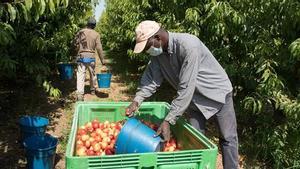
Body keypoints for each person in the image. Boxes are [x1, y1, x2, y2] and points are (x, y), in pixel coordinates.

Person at [125, 20, 238, 169]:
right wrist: (136, 101)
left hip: (217, 94)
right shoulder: (158, 56)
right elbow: (151, 80)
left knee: (228, 138)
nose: (148, 51)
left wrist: (168, 120)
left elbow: (186, 87)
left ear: (158, 38)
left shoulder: (189, 45)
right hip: (192, 100)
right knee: (195, 140)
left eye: (148, 46)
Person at [74, 17, 106, 101]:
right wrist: (102, 60)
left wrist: (77, 52)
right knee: (92, 74)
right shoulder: (96, 34)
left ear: (87, 24)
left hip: (81, 57)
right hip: (91, 58)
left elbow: (75, 44)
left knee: (81, 75)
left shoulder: (80, 32)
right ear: (94, 26)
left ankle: (80, 94)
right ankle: (92, 90)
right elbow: (99, 48)